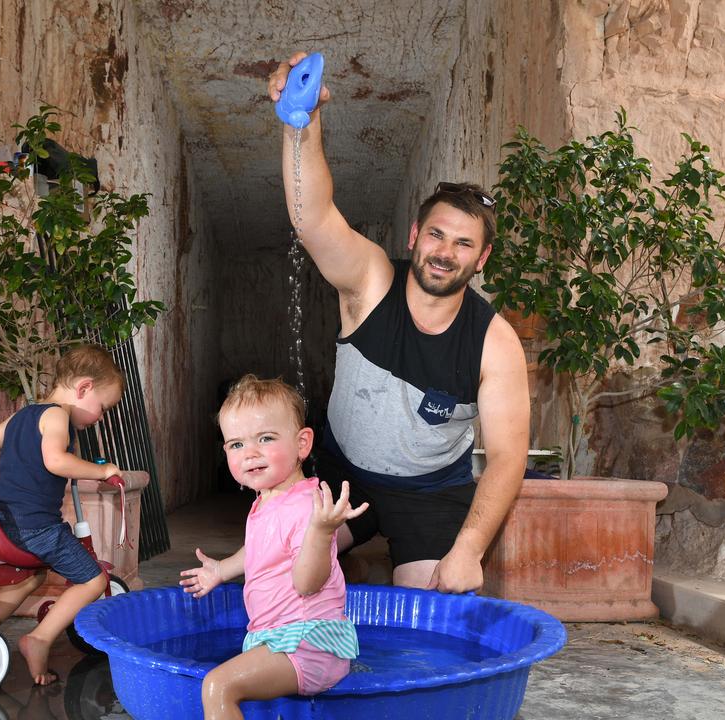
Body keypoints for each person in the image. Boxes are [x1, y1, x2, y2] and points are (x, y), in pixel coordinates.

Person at [266, 52, 531, 595]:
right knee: (283, 579)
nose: (445, 253)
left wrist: (468, 550)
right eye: (437, 235)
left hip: (430, 492)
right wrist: (304, 125)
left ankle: (385, 562)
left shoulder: (494, 342)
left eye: (464, 244)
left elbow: (506, 459)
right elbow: (313, 218)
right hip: (342, 472)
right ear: (415, 236)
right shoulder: (371, 281)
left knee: (433, 610)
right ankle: (353, 562)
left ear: (481, 260)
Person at [181, 375, 367, 719]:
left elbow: (308, 583)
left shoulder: (303, 507)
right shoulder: (269, 500)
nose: (250, 453)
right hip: (283, 640)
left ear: (302, 443)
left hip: (309, 643)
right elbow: (260, 550)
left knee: (217, 685)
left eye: (265, 438)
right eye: (236, 444)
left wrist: (322, 532)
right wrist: (221, 570)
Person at [0, 342, 124, 686]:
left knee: (30, 576)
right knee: (93, 579)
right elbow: (56, 461)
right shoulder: (57, 415)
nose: (100, 416)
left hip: (4, 519)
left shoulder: (24, 414)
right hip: (36, 524)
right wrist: (101, 471)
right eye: (103, 407)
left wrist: (22, 470)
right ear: (84, 388)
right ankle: (38, 639)